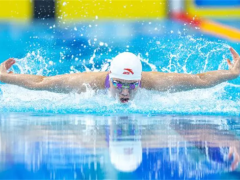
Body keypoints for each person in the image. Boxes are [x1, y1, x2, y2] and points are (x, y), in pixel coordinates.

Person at [0, 47, 239, 103]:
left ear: (140, 80)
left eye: (132, 85)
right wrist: (6, 78)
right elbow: (41, 83)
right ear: (108, 77)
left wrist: (231, 75)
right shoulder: (87, 83)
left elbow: (199, 80)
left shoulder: (154, 82)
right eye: (118, 84)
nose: (125, 92)